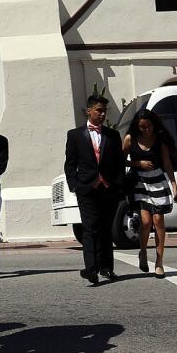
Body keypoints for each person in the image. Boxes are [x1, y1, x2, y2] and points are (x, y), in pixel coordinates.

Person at [65, 95, 125, 285]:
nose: (102, 114)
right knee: (90, 229)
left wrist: (118, 186)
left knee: (106, 229)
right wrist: (75, 185)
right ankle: (91, 270)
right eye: (99, 110)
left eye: (104, 111)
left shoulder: (112, 135)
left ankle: (107, 267)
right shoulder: (74, 135)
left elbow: (119, 163)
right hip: (87, 190)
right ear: (88, 111)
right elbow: (70, 164)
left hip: (109, 190)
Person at [124, 109, 177, 277]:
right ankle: (143, 252)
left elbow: (167, 164)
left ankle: (159, 261)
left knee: (158, 220)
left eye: (148, 126)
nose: (146, 130)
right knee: (146, 222)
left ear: (154, 125)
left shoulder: (159, 140)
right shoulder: (130, 139)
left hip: (157, 182)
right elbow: (120, 159)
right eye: (142, 127)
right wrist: (137, 163)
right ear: (136, 126)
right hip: (139, 182)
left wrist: (174, 186)